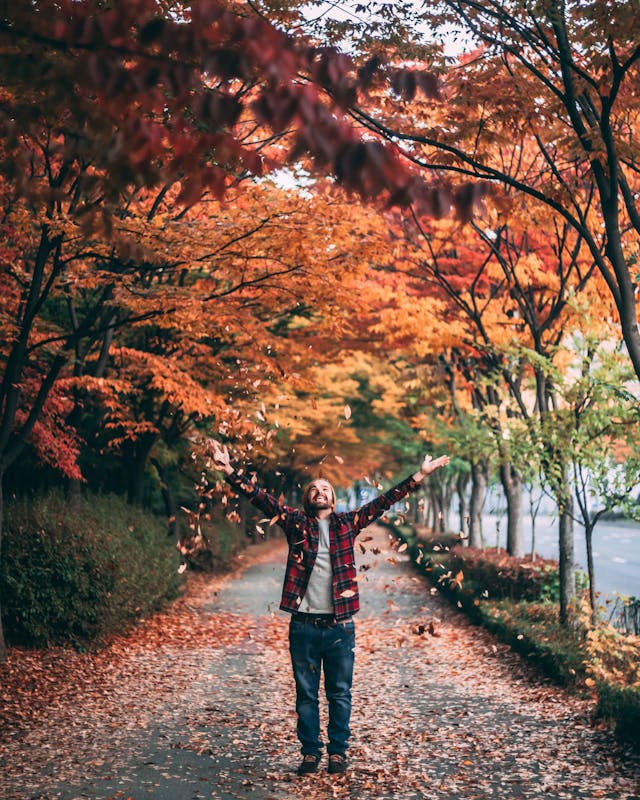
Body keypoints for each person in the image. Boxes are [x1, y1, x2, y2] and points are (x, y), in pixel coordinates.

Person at [208, 440, 450, 776]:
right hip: (304, 626)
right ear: (308, 498)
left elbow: (384, 501)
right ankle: (310, 754)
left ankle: (337, 753)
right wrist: (229, 470)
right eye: (314, 488)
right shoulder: (294, 522)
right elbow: (261, 498)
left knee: (339, 695)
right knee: (306, 696)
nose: (320, 491)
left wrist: (419, 476)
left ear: (333, 500)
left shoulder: (347, 524)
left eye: (326, 488)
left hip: (339, 626)